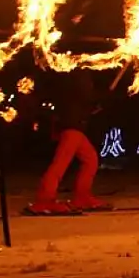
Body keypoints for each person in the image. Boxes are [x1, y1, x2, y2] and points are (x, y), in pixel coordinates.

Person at [28, 70, 110, 214]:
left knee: (90, 160)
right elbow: (84, 95)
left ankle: (82, 197)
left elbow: (84, 101)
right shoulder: (76, 74)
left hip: (75, 125)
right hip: (70, 126)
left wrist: (94, 105)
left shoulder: (76, 75)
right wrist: (103, 95)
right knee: (60, 163)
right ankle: (45, 200)